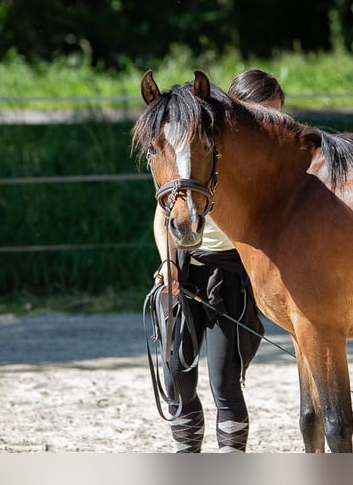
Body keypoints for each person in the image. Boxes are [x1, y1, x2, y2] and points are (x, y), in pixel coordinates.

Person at [151, 69, 284, 453]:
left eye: (276, 117)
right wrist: (168, 262)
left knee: (225, 380)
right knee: (175, 374)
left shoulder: (270, 166)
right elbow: (164, 212)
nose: (270, 125)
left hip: (232, 271)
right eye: (264, 115)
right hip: (186, 265)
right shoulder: (208, 153)